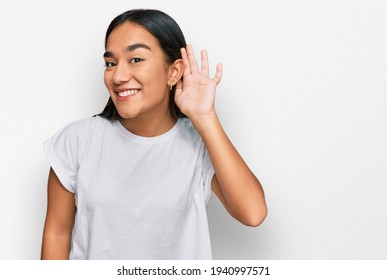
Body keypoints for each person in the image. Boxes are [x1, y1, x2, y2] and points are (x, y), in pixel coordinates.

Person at [41, 9, 267, 260]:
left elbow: (253, 213)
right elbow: (57, 233)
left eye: (136, 59)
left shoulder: (200, 145)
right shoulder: (77, 141)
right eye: (110, 63)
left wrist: (205, 117)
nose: (118, 76)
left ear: (174, 71)